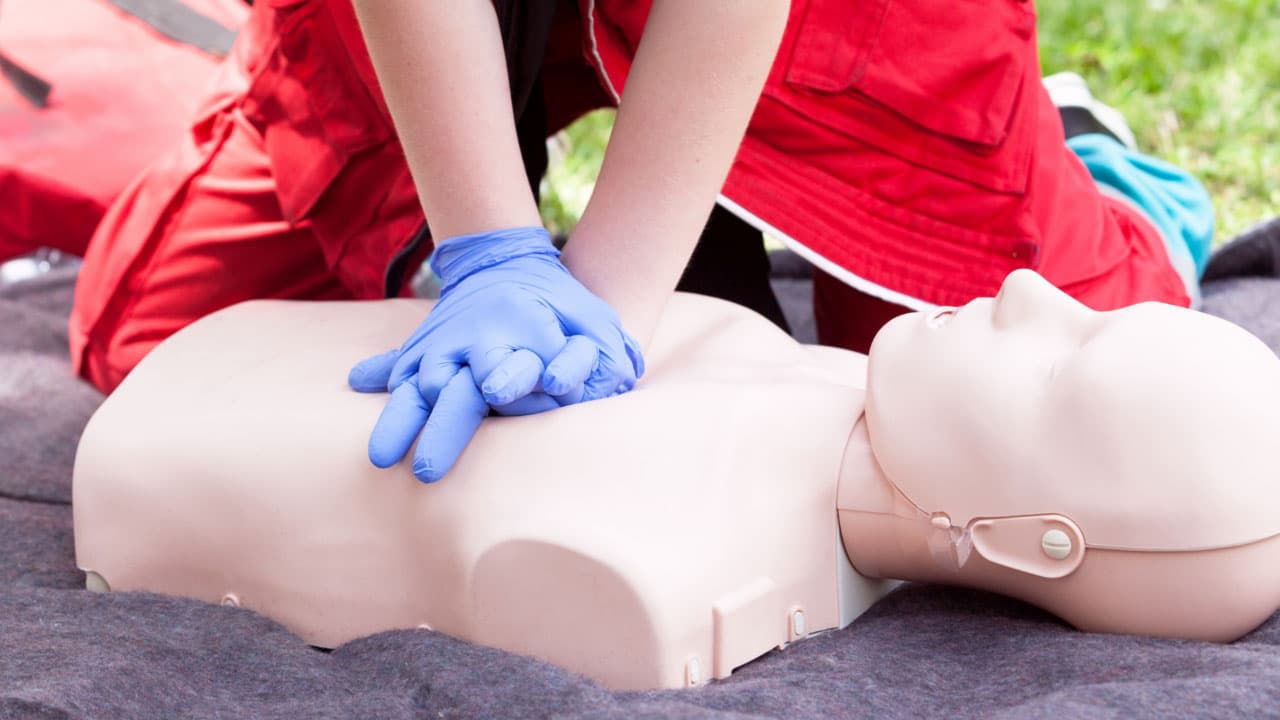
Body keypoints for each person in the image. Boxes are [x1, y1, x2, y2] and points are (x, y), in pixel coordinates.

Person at [66, 1, 1214, 484]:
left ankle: (1092, 172)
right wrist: (488, 249)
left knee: (1025, 422)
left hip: (821, 27)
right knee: (154, 346)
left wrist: (612, 302)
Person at [74, 270, 1280, 691]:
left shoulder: (671, 565)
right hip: (201, 385)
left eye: (1066, 361)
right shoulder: (810, 378)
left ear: (1039, 545)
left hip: (155, 455)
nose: (1029, 291)